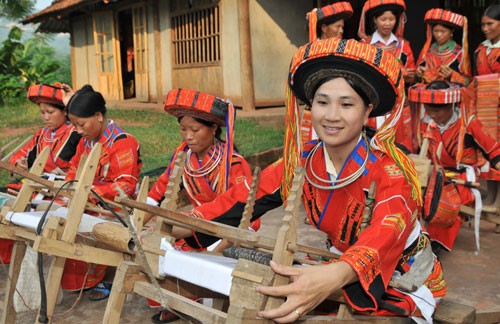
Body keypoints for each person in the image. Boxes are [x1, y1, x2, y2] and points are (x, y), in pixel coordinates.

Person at [255, 38, 446, 323]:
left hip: (399, 277)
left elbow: (386, 229)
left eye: (346, 104)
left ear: (367, 110)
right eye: (322, 102)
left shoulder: (391, 170)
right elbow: (247, 194)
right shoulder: (305, 161)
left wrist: (337, 274)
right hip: (337, 266)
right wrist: (193, 223)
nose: (331, 116)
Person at [145, 88, 258, 323]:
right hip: (195, 226)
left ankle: (192, 300)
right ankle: (175, 302)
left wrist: (213, 249)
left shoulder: (234, 165)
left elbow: (246, 217)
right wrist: (137, 223)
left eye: (195, 130)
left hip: (227, 230)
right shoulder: (183, 156)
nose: (188, 136)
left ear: (214, 128)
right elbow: (160, 191)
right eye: (183, 129)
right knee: (158, 249)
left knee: (201, 261)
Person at [60, 84, 142, 299]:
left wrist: (90, 191)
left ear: (98, 115)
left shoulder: (123, 143)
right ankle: (81, 279)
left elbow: (125, 186)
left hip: (114, 209)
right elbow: (73, 169)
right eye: (74, 125)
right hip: (87, 201)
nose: (78, 130)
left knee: (79, 225)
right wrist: (71, 186)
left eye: (81, 124)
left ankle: (104, 277)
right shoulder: (85, 142)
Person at [409, 80, 500, 252]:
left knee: (439, 200)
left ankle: (432, 243)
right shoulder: (424, 123)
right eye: (428, 110)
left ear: (451, 105)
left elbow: (493, 150)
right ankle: (411, 237)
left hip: (461, 178)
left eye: (437, 111)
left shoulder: (468, 123)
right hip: (432, 174)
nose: (432, 115)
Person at [1, 83, 81, 265]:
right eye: (42, 112)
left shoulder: (76, 134)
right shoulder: (41, 135)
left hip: (60, 190)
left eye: (50, 112)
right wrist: (19, 163)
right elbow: (18, 156)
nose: (45, 117)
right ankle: (7, 257)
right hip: (36, 187)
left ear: (65, 112)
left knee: (29, 207)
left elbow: (76, 170)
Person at [358, 0, 415, 152]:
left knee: (401, 148)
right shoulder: (365, 46)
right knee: (373, 147)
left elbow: (412, 75)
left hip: (400, 106)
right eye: (383, 19)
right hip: (374, 106)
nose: (387, 23)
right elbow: (360, 76)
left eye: (391, 19)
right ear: (375, 20)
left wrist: (409, 76)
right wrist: (394, 72)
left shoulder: (404, 46)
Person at [416, 8, 471, 86]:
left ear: (451, 32)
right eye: (436, 31)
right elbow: (416, 77)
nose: (439, 35)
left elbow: (468, 81)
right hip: (428, 95)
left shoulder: (460, 54)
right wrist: (419, 74)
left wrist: (452, 75)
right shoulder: (427, 51)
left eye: (443, 31)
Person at [474, 4, 500, 75]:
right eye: (483, 25)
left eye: (490, 24)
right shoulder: (480, 49)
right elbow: (475, 80)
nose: (485, 29)